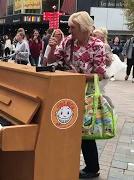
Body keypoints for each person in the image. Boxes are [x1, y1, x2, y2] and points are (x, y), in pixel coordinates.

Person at [47, 11, 106, 179]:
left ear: (83, 27)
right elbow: (51, 62)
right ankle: (67, 162)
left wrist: (78, 77)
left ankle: (92, 167)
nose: (70, 30)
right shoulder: (68, 42)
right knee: (65, 126)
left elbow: (100, 75)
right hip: (66, 92)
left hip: (86, 94)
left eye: (73, 27)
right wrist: (51, 48)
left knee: (84, 131)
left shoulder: (97, 45)